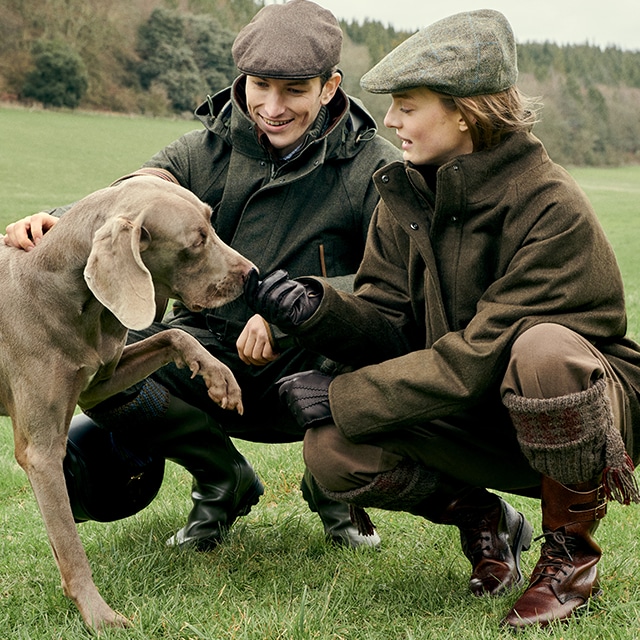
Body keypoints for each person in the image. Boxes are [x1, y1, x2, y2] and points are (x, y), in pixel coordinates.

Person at [245, 8, 640, 629]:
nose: (392, 120)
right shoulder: (404, 193)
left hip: (581, 411)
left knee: (542, 350)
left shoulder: (550, 205)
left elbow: (482, 354)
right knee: (333, 451)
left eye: (408, 104)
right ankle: (485, 520)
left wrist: (345, 393)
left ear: (466, 110)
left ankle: (570, 555)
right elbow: (387, 319)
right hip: (485, 409)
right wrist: (320, 309)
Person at [4, 0, 401, 550]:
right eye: (260, 84)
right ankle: (221, 479)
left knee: (378, 348)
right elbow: (128, 199)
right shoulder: (202, 150)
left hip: (313, 358)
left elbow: (399, 285)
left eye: (294, 90)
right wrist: (55, 220)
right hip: (209, 347)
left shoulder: (374, 167)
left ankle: (334, 489)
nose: (272, 106)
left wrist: (296, 310)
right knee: (106, 354)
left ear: (330, 87)